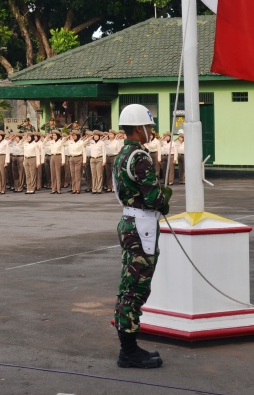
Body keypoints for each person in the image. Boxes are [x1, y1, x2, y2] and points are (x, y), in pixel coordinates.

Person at [112, 104, 170, 369]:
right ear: (138, 128)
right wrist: (164, 200)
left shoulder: (122, 154)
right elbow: (154, 197)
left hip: (130, 220)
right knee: (135, 289)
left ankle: (130, 347)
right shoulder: (140, 156)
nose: (151, 131)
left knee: (129, 286)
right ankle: (129, 352)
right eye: (149, 126)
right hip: (142, 225)